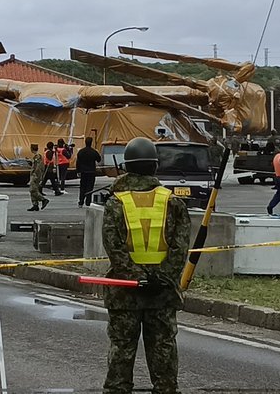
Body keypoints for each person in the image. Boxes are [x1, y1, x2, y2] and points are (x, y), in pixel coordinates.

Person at [101, 137, 190, 394]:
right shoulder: (172, 202)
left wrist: (136, 277)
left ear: (126, 167)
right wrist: (161, 278)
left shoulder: (116, 203)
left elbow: (114, 249)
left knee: (121, 350)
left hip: (125, 291)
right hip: (161, 293)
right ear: (155, 167)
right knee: (163, 349)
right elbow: (179, 248)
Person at [76, 137, 101, 208]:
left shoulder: (81, 151)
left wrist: (78, 171)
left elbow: (78, 162)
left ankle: (81, 202)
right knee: (90, 187)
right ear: (91, 142)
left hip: (83, 172)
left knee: (82, 187)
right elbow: (99, 159)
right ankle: (88, 202)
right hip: (91, 171)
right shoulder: (93, 151)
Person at [27, 144, 50, 212]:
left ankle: (43, 199)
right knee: (34, 189)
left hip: (35, 175)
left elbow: (39, 167)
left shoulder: (38, 156)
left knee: (32, 189)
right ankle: (35, 204)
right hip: (34, 174)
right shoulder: (35, 157)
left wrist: (36, 175)